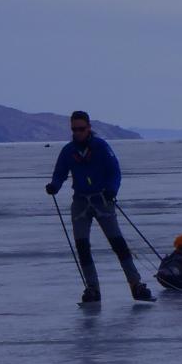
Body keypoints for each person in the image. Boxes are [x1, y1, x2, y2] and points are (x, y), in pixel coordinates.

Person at [46, 111, 154, 303]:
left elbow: (114, 172)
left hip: (102, 200)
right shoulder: (68, 151)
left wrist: (112, 190)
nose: (77, 133)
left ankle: (135, 285)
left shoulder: (101, 147)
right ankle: (92, 288)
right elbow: (60, 172)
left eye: (81, 129)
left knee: (118, 244)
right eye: (74, 129)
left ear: (89, 128)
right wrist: (54, 185)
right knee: (82, 247)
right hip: (80, 202)